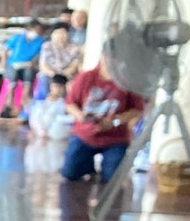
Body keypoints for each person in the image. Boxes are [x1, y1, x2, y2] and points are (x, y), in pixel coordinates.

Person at [62, 53, 145, 184]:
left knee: (111, 180)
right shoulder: (86, 77)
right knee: (70, 173)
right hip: (86, 134)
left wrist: (115, 122)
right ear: (102, 57)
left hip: (116, 138)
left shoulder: (128, 81)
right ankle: (87, 166)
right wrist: (80, 116)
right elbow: (70, 103)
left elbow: (137, 109)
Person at [0, 20, 45, 116]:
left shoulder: (40, 41)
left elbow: (40, 56)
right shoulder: (18, 38)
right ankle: (9, 103)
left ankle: (23, 103)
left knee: (28, 76)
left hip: (28, 65)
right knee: (12, 78)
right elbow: (5, 49)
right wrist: (3, 61)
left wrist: (33, 64)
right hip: (13, 64)